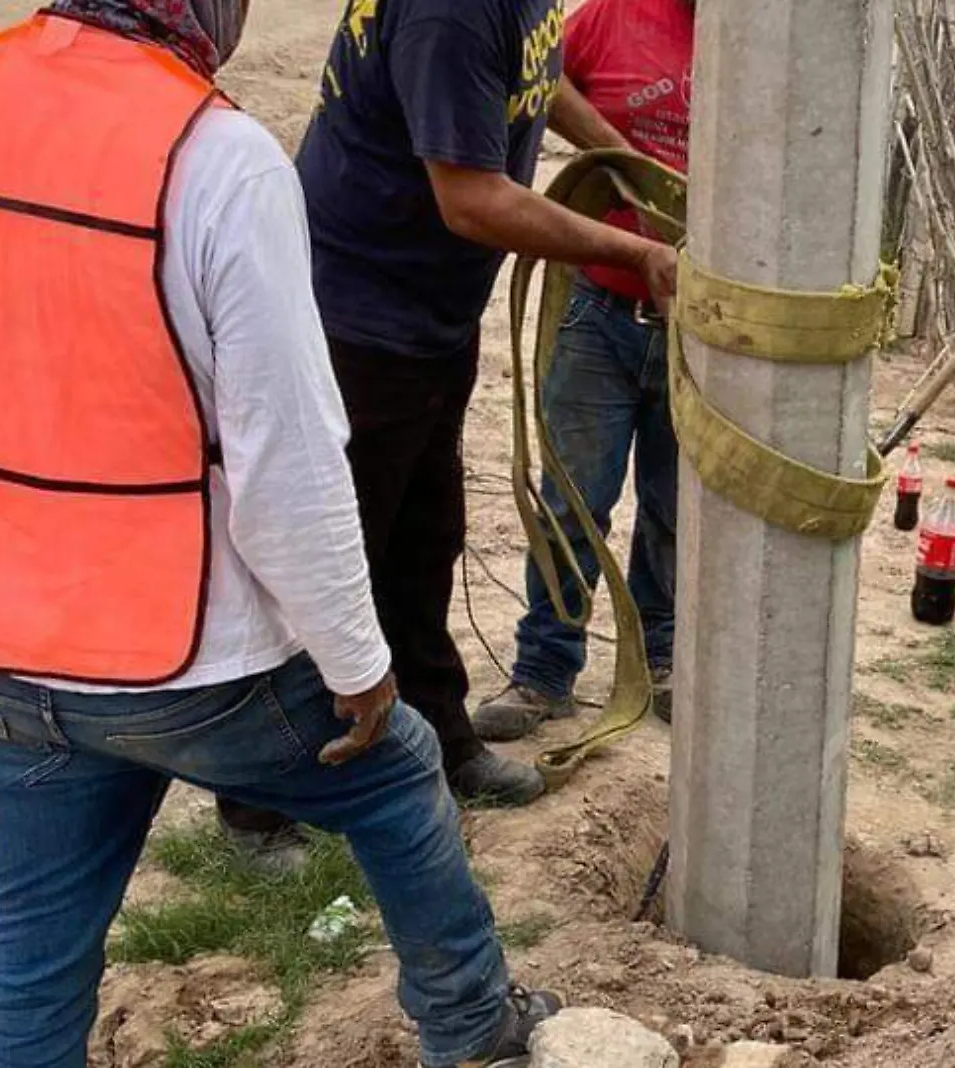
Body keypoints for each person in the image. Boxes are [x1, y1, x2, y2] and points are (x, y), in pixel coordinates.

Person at [0, 2, 556, 1064]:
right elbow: (287, 455)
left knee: (38, 947)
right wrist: (360, 666)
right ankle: (472, 1027)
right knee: (400, 773)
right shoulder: (216, 157)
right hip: (182, 647)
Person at [219, 0, 679, 841]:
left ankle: (438, 737)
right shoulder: (452, 11)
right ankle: (264, 803)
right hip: (358, 315)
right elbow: (471, 200)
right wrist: (634, 251)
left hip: (429, 311)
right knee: (326, 554)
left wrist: (622, 158)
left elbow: (537, 79)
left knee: (425, 539)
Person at [472, 0, 695, 742]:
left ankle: (662, 659)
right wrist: (612, 147)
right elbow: (538, 74)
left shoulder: (766, 44)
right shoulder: (612, 14)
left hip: (705, 332)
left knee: (675, 508)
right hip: (600, 308)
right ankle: (544, 671)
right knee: (571, 498)